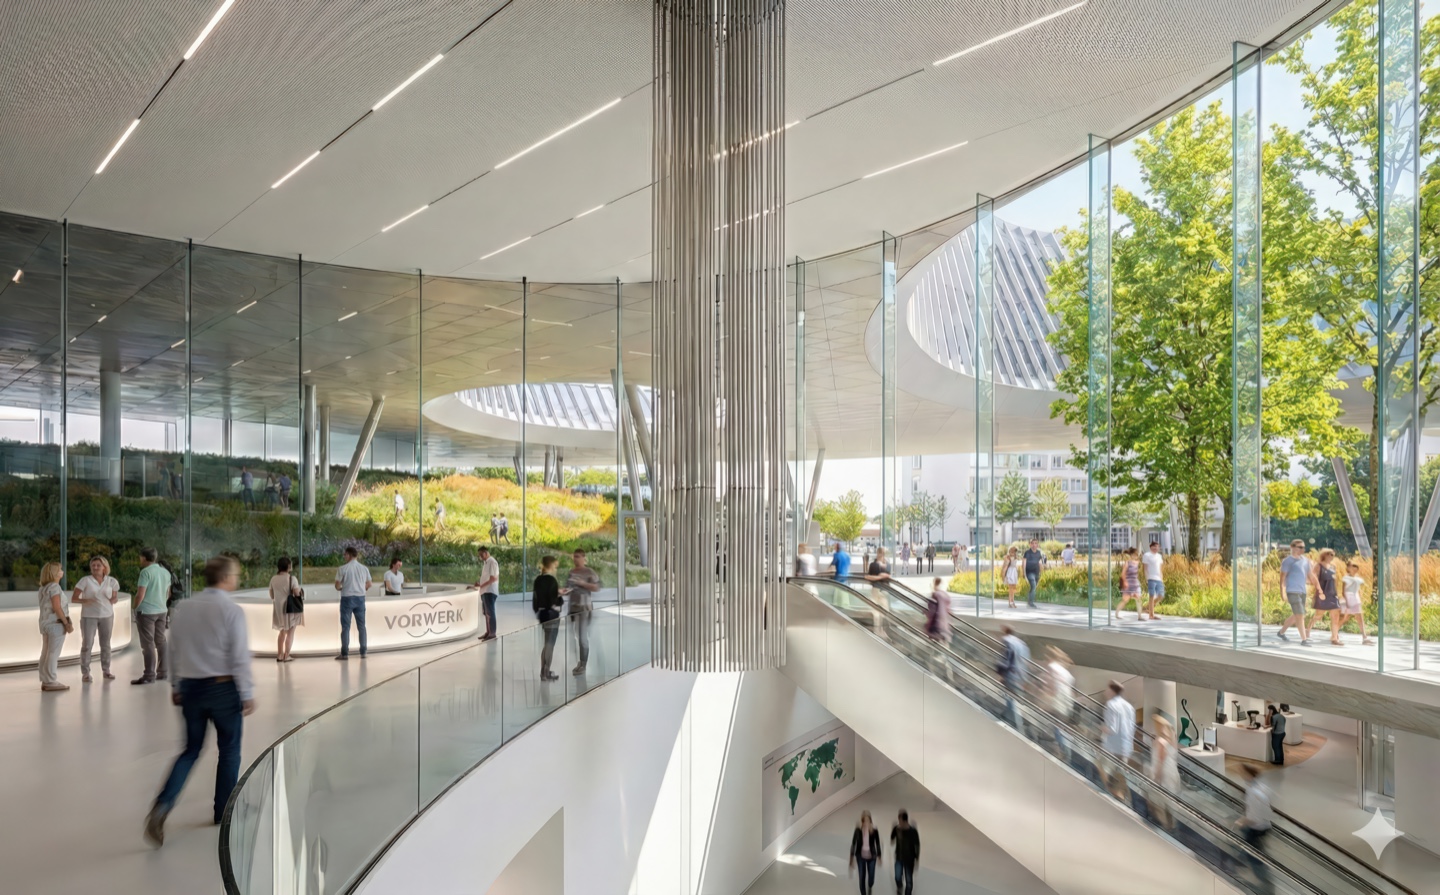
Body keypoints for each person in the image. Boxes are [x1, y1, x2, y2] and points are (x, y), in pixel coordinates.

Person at [145, 555, 255, 847]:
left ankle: (163, 805)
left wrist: (175, 683)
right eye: (235, 575)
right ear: (226, 578)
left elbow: (173, 648)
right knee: (229, 751)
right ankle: (223, 813)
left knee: (190, 750)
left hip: (191, 688)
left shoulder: (183, 608)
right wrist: (247, 692)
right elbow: (239, 657)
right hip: (223, 688)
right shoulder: (231, 610)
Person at [73, 554, 119, 683]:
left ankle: (106, 670)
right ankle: (86, 673)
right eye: (93, 565)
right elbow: (74, 598)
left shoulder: (112, 581)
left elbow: (114, 597)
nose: (95, 567)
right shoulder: (85, 580)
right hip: (89, 616)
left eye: (98, 565)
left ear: (104, 567)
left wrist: (113, 599)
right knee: (87, 645)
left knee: (106, 644)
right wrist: (87, 600)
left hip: (107, 615)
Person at [131, 547, 172, 685]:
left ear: (143, 557)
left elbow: (140, 594)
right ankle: (163, 672)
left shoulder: (145, 572)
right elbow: (168, 593)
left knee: (147, 643)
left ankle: (149, 675)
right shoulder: (165, 572)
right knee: (161, 641)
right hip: (162, 610)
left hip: (146, 612)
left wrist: (134, 607)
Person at [1237, 764, 1275, 894]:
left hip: (1256, 827)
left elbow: (1253, 818)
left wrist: (1241, 822)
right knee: (1254, 847)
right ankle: (1242, 861)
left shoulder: (1252, 792)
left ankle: (1263, 880)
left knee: (1252, 853)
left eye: (1242, 772)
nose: (1240, 774)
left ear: (1248, 774)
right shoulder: (1263, 787)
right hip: (1266, 825)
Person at [37, 562, 73, 692]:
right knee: (53, 653)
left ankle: (45, 679)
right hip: (55, 625)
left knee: (46, 652)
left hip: (45, 624)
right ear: (54, 573)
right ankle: (51, 680)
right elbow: (57, 607)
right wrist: (66, 623)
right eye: (60, 570)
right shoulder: (54, 588)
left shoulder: (44, 588)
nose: (62, 571)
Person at [565, 549, 601, 675]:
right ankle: (580, 661)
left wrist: (583, 583)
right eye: (574, 557)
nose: (575, 559)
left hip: (585, 608)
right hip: (573, 608)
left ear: (583, 558)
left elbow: (597, 587)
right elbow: (568, 587)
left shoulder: (589, 572)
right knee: (575, 636)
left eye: (578, 557)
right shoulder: (571, 572)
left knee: (582, 637)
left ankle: (583, 664)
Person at [333, 546, 371, 660]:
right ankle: (363, 651)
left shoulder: (342, 568)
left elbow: (337, 585)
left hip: (347, 599)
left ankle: (344, 653)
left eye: (345, 555)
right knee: (362, 626)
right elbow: (369, 584)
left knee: (346, 627)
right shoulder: (364, 568)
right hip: (360, 599)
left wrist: (342, 588)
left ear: (349, 555)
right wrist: (361, 588)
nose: (344, 557)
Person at [1101, 680, 1136, 802]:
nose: (1106, 691)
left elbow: (1112, 728)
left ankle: (1111, 795)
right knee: (1121, 773)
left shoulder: (1111, 704)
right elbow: (1132, 727)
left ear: (1112, 690)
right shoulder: (1129, 707)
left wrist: (1103, 728)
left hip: (1112, 746)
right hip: (1126, 746)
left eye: (1107, 689)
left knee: (1102, 767)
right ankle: (1124, 798)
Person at [1276, 539, 1313, 646]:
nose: (1302, 549)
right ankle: (1304, 640)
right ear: (1292, 547)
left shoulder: (1305, 561)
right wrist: (1282, 592)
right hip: (1292, 591)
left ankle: (1281, 632)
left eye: (1303, 547)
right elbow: (1282, 578)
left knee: (1298, 615)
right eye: (1300, 547)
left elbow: (1308, 576)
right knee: (1300, 615)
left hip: (1302, 591)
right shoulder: (1287, 561)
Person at [533, 556, 564, 681]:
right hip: (552, 614)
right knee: (550, 644)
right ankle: (545, 672)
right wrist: (560, 595)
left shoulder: (538, 579)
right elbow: (552, 600)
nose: (556, 569)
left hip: (542, 614)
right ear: (551, 565)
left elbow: (537, 598)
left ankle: (544, 671)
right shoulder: (551, 580)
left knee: (547, 644)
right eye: (555, 566)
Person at [1148, 716, 1180, 830]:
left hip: (1164, 772)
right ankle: (1172, 824)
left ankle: (1164, 825)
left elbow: (1160, 761)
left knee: (1159, 800)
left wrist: (1156, 777)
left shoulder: (1160, 741)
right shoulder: (1173, 737)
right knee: (1169, 800)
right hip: (1172, 770)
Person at [996, 624, 1029, 729]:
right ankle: (1006, 717)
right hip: (1021, 675)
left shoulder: (1007, 641)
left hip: (1011, 674)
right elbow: (1026, 661)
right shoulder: (1022, 644)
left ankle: (1017, 726)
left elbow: (1006, 659)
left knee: (1011, 700)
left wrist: (1001, 673)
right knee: (1012, 699)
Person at [1045, 646, 1075, 759]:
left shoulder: (1052, 668)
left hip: (1056, 704)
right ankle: (1066, 751)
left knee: (1057, 729)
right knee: (1060, 728)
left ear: (1050, 657)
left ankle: (1064, 753)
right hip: (1067, 706)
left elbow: (1052, 687)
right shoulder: (1066, 673)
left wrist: (1046, 695)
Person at [1311, 548, 1342, 646]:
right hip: (1323, 594)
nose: (1332, 557)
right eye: (1330, 554)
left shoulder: (1333, 567)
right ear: (1325, 555)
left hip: (1332, 594)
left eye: (1333, 555)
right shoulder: (1318, 566)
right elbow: (1312, 578)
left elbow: (1335, 581)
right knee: (1318, 616)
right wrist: (1318, 591)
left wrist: (1338, 593)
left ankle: (1334, 637)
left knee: (1335, 616)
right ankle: (1307, 630)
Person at [470, 546, 500, 641]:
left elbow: (493, 578)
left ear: (485, 553)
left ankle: (492, 633)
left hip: (489, 591)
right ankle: (488, 632)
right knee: (487, 613)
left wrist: (481, 586)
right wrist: (480, 585)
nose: (480, 557)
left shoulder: (492, 562)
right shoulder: (486, 563)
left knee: (490, 612)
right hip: (485, 591)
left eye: (481, 554)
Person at [1339, 561, 1373, 646]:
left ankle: (1364, 637)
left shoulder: (1358, 578)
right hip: (1348, 599)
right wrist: (1347, 603)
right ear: (1348, 568)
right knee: (1345, 618)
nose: (1354, 568)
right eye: (1352, 566)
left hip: (1356, 599)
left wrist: (1359, 598)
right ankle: (1335, 633)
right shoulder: (1346, 578)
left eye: (1355, 566)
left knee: (1360, 618)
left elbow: (1358, 590)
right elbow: (1343, 591)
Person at [849, 810, 882, 894]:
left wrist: (879, 856)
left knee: (871, 878)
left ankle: (870, 886)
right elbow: (853, 844)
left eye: (868, 820)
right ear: (862, 821)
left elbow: (877, 844)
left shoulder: (874, 831)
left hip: (872, 857)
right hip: (860, 857)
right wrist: (851, 859)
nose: (866, 823)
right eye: (864, 821)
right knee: (862, 877)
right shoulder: (858, 830)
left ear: (870, 821)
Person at [890, 809, 920, 895]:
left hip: (909, 859)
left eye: (900, 820)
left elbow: (917, 845)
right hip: (899, 857)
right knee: (897, 877)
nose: (898, 822)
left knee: (909, 881)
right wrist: (893, 830)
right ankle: (899, 887)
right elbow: (891, 841)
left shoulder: (913, 831)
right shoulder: (897, 829)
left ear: (904, 820)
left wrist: (917, 859)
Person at [1141, 541, 1165, 620]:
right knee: (1151, 595)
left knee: (1160, 595)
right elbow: (1145, 568)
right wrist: (1146, 578)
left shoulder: (1159, 556)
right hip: (1151, 577)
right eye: (1154, 546)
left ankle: (1148, 606)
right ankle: (1151, 615)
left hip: (1158, 578)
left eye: (1157, 546)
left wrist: (1161, 578)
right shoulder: (1147, 555)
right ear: (1150, 547)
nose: (1155, 548)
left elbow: (1160, 568)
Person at [1116, 547, 1142, 618]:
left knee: (1138, 599)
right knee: (1125, 600)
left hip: (1135, 583)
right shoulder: (1127, 563)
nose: (1135, 556)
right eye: (1134, 554)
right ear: (1131, 555)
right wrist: (1125, 582)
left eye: (1136, 555)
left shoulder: (1137, 563)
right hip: (1128, 583)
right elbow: (1122, 574)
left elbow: (1137, 573)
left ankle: (1140, 616)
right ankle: (1117, 613)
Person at [925, 577, 951, 643]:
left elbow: (932, 612)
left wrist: (926, 613)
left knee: (934, 644)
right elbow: (948, 610)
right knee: (943, 643)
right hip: (945, 625)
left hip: (936, 625)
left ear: (934, 584)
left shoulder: (935, 595)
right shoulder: (946, 595)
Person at [1022, 538, 1045, 608]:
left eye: (1036, 543)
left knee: (1033, 587)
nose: (1034, 545)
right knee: (1033, 586)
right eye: (1032, 543)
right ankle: (1031, 603)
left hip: (1036, 572)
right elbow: (1024, 563)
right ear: (1030, 544)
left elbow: (1040, 562)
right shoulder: (1027, 553)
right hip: (1029, 572)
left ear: (1037, 545)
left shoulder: (1038, 552)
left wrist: (1042, 571)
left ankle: (1029, 602)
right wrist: (1024, 574)